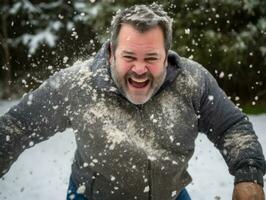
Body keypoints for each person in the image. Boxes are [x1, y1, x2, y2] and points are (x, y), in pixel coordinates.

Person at [0, 3, 265, 200]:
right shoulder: (76, 84)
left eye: (150, 58)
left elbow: (231, 127)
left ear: (166, 55)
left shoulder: (193, 81)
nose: (139, 69)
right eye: (129, 57)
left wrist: (249, 176)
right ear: (112, 52)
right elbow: (17, 126)